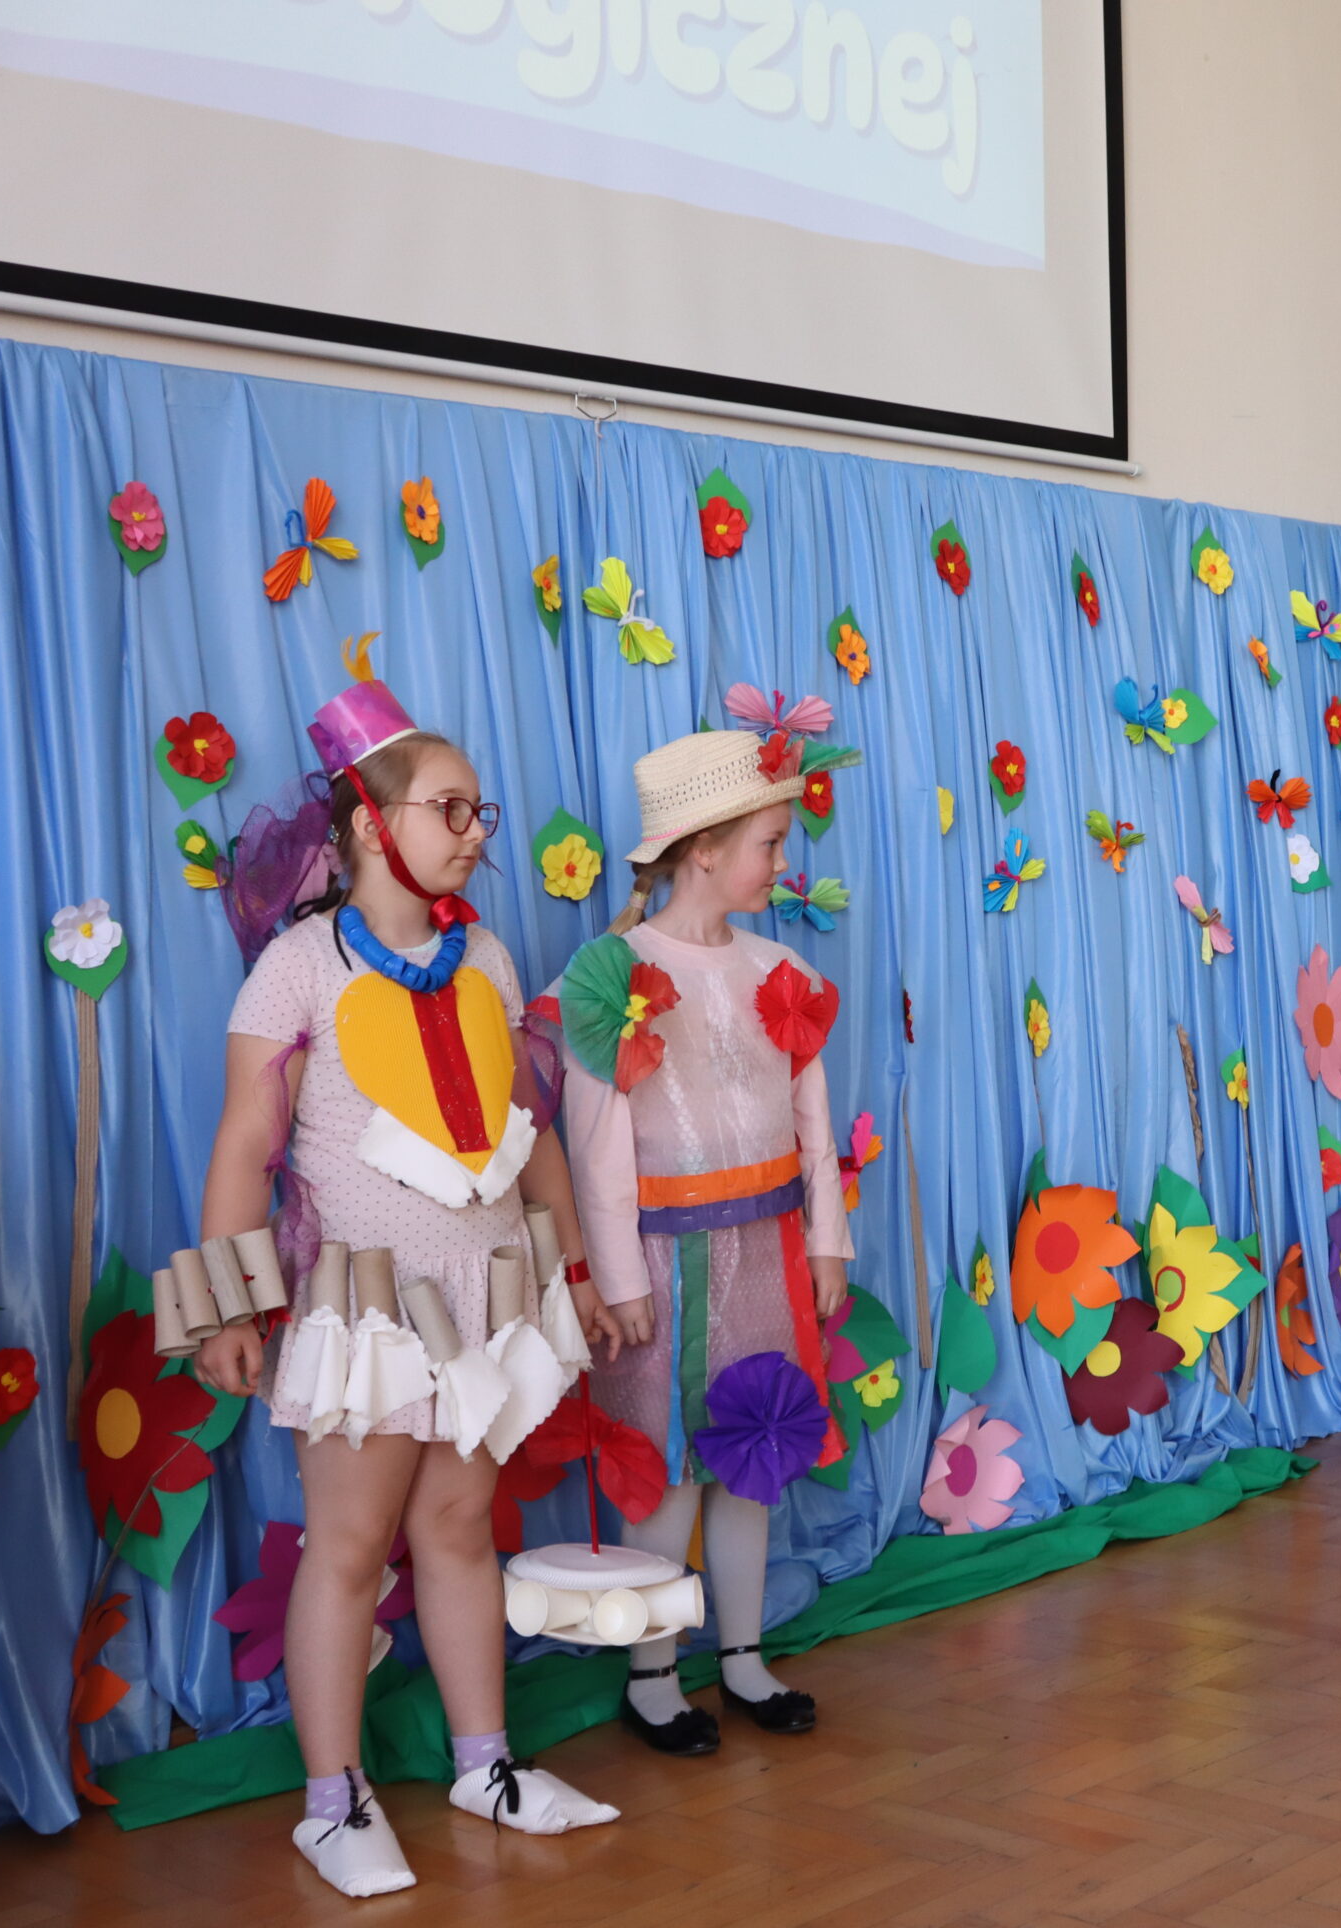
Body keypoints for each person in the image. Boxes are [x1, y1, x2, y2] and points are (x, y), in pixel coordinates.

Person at [190, 659, 614, 1899]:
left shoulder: (487, 960)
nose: (476, 831)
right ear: (371, 823)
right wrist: (224, 1302)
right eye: (451, 807)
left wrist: (572, 1266)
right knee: (350, 1544)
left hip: (484, 1296)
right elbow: (245, 1144)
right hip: (365, 1309)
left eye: (481, 809)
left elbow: (526, 1126)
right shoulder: (298, 967)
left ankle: (485, 1762)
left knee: (458, 1527)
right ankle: (333, 1802)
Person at [555, 728, 853, 1757]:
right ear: (703, 848)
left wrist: (826, 1241)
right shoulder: (615, 973)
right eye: (770, 842)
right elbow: (593, 1143)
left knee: (749, 1449)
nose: (782, 862)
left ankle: (742, 1656)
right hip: (663, 1261)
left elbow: (813, 1122)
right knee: (666, 1467)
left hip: (765, 1252)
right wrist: (617, 1275)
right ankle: (651, 1674)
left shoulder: (783, 970)